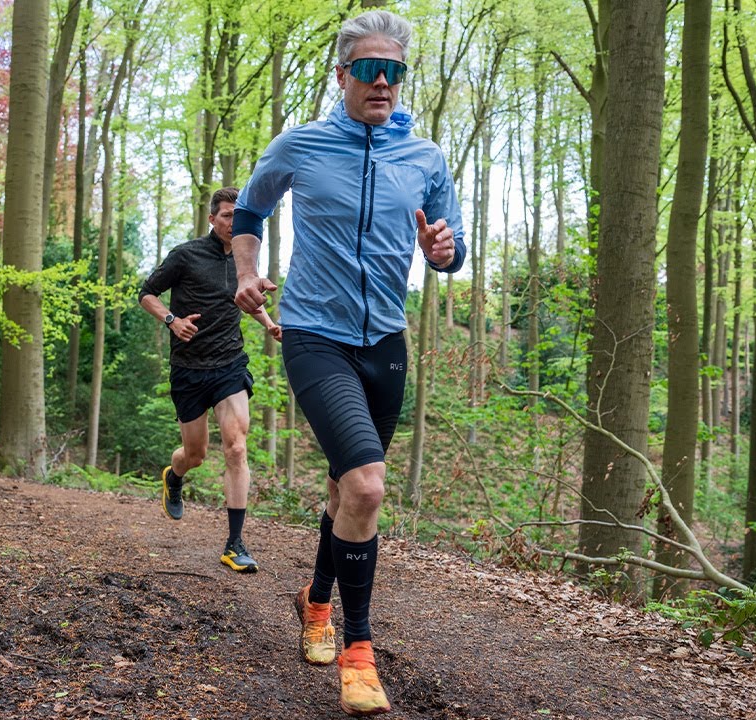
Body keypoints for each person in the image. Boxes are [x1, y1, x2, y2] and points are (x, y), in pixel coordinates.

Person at [231, 10, 465, 716]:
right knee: (366, 487)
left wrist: (444, 255)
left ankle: (315, 600)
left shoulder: (424, 158)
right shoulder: (302, 145)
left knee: (345, 491)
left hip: (386, 344)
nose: (384, 83)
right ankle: (359, 652)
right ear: (342, 77)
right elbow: (250, 211)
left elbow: (451, 249)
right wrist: (247, 269)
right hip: (314, 335)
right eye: (370, 69)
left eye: (395, 70)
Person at [139, 186, 282, 574]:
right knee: (196, 454)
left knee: (236, 447)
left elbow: (246, 299)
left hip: (229, 365)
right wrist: (173, 320)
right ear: (212, 219)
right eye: (227, 216)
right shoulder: (185, 255)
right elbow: (146, 293)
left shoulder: (244, 259)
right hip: (188, 369)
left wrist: (269, 323)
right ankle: (175, 473)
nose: (234, 223)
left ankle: (234, 544)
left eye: (239, 216)